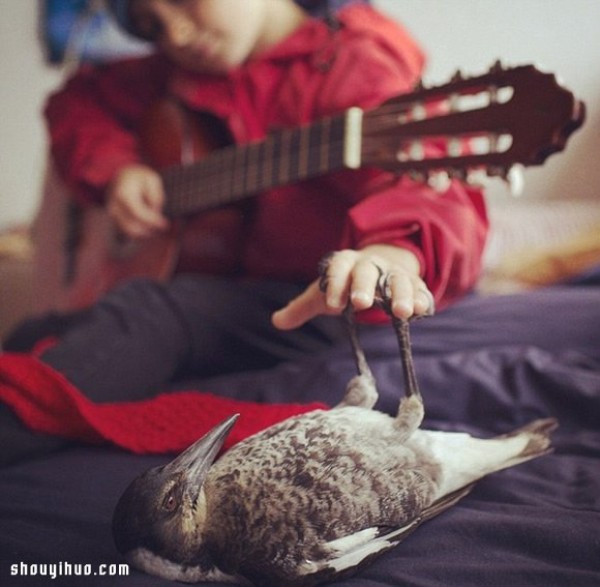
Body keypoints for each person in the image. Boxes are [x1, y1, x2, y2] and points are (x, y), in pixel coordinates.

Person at [5, 0, 488, 404]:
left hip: (318, 301)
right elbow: (77, 103)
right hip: (232, 283)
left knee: (151, 312)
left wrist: (388, 256)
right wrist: (116, 171)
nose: (172, 31)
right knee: (32, 335)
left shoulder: (354, 62)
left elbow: (429, 184)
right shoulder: (175, 71)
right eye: (148, 23)